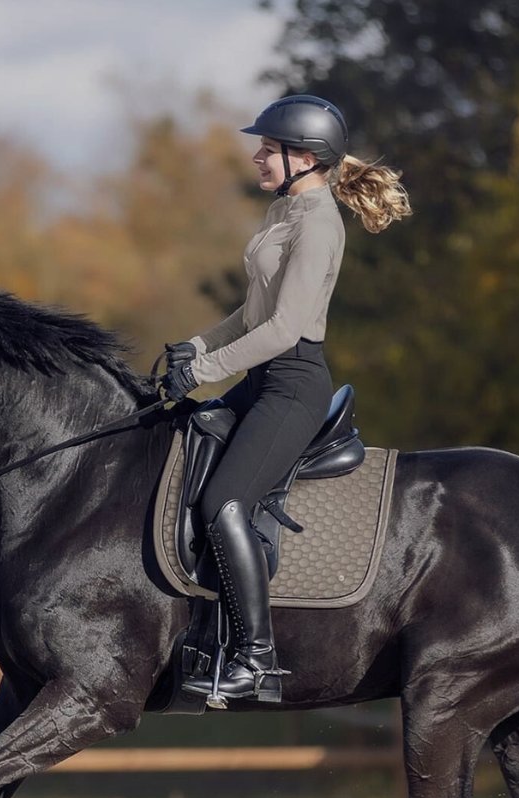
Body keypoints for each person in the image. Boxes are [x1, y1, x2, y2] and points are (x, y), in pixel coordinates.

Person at [160, 94, 412, 704]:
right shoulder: (284, 211)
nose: (256, 157)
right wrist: (195, 346)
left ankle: (257, 659)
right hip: (260, 375)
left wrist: (206, 371)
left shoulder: (320, 223)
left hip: (293, 383)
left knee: (224, 504)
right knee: (179, 443)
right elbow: (252, 314)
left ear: (305, 157)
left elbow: (283, 330)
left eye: (267, 150)